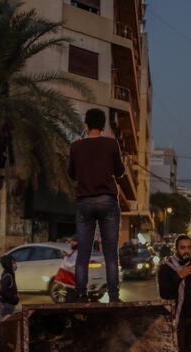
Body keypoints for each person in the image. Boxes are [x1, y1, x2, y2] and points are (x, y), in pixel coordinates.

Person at [68, 108, 125, 303]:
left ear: (86, 125)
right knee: (110, 251)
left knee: (83, 252)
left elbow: (72, 174)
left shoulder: (76, 147)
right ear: (103, 126)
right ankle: (114, 296)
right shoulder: (111, 144)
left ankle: (81, 294)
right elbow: (119, 171)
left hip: (84, 201)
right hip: (107, 200)